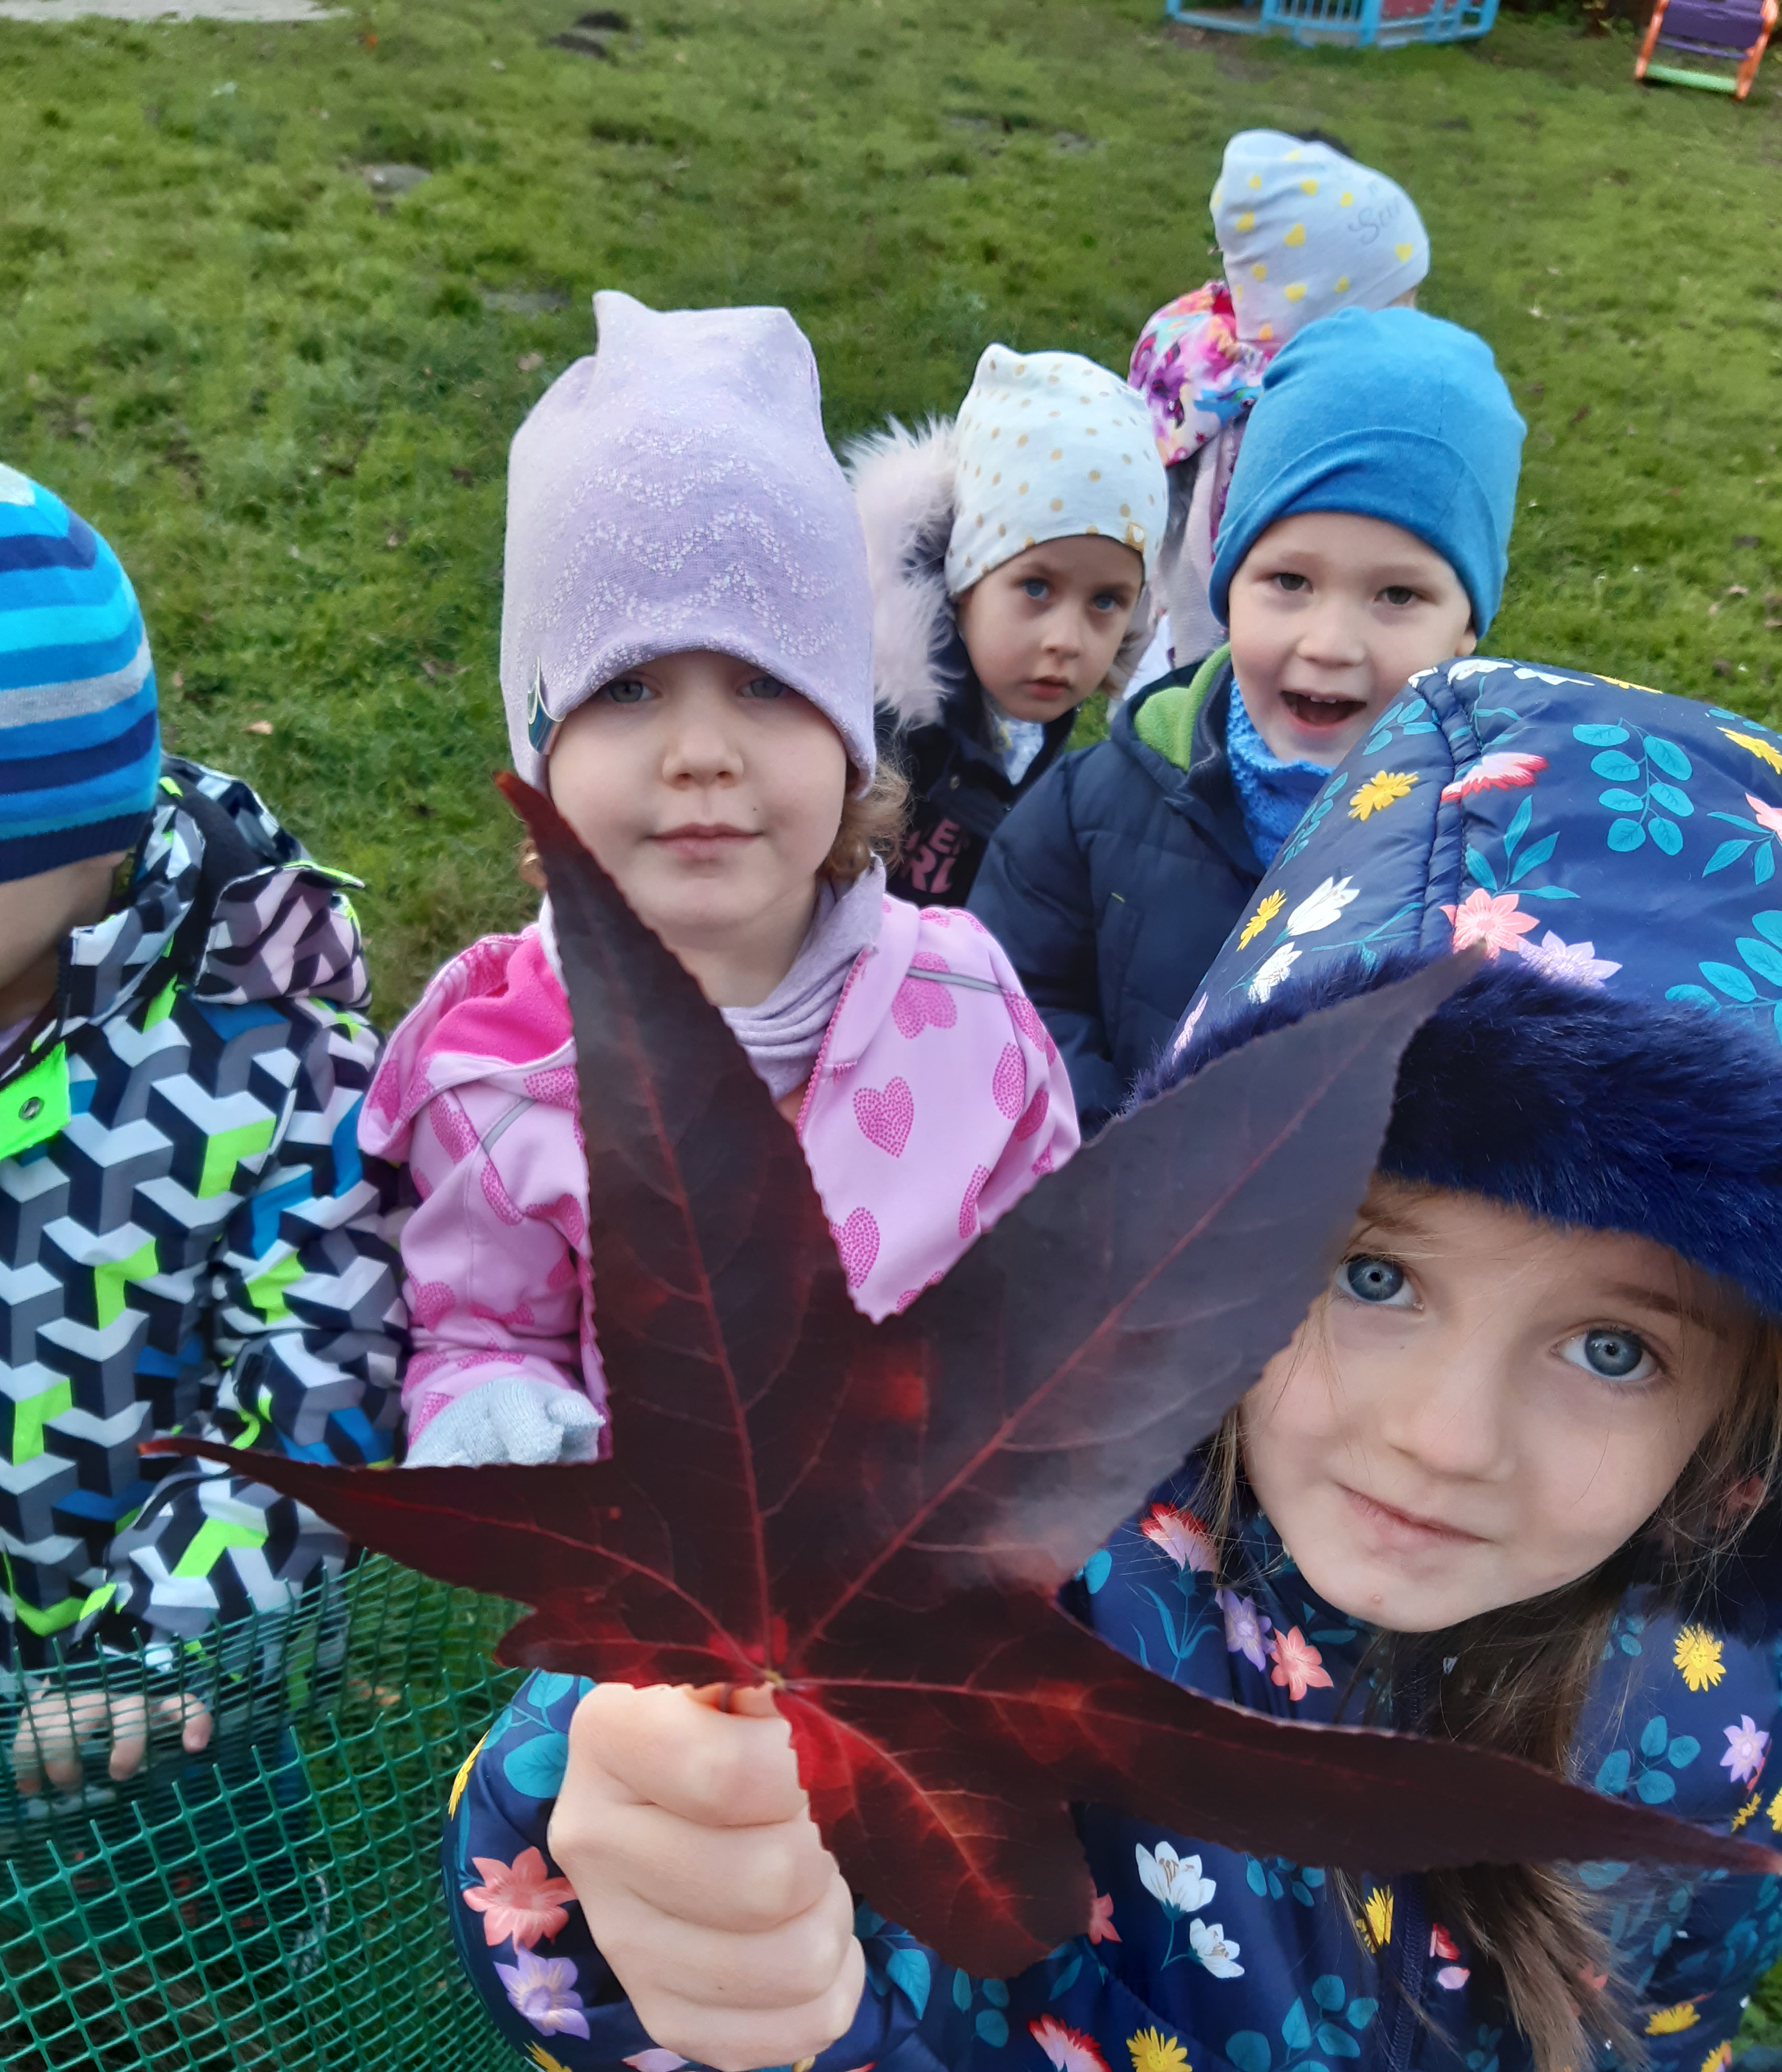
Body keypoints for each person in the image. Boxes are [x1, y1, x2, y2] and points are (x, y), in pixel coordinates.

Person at [442, 657, 1782, 2072]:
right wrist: (619, 1835)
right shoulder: (1034, 1563)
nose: (1446, 1439)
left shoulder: (1709, 1716)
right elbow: (651, 1846)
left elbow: (1654, 2036)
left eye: (1612, 1347)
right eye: (1373, 1274)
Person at [363, 293, 1078, 1471]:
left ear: (849, 737)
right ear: (542, 755)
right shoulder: (506, 1081)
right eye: (627, 687)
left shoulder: (966, 1008)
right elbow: (483, 1329)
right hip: (670, 1577)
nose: (702, 751)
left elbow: (1053, 1268)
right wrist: (498, 1417)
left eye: (766, 684)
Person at [0, 461, 405, 1952]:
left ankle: (253, 1962)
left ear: (82, 835)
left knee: (196, 1936)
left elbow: (323, 1375)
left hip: (167, 1691)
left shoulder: (268, 1048)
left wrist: (146, 1661)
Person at [970, 306, 1523, 1136]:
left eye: (1398, 595)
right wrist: (1117, 1155)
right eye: (1290, 582)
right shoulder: (1088, 816)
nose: (1329, 643)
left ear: (1467, 626)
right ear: (1229, 589)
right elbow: (1012, 1000)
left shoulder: (1509, 838)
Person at [843, 343, 1166, 910]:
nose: (1066, 641)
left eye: (1106, 600)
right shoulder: (878, 731)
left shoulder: (1021, 699)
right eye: (1036, 588)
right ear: (965, 578)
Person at [1127, 126, 1430, 686]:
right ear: (1323, 309)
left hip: (1189, 652)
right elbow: (1203, 581)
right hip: (1222, 678)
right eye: (1398, 307)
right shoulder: (1272, 427)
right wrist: (1202, 701)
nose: (1416, 325)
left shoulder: (1211, 370)